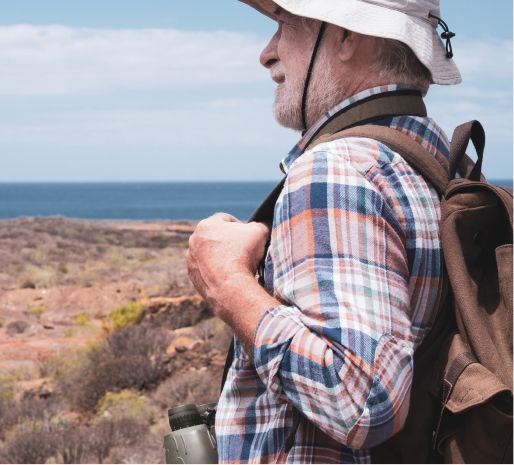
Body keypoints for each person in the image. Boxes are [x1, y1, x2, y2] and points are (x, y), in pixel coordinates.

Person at [186, 0, 461, 462]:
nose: (268, 53)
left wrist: (226, 284)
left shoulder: (337, 170)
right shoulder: (435, 160)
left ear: (347, 35)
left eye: (284, 24)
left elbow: (362, 401)